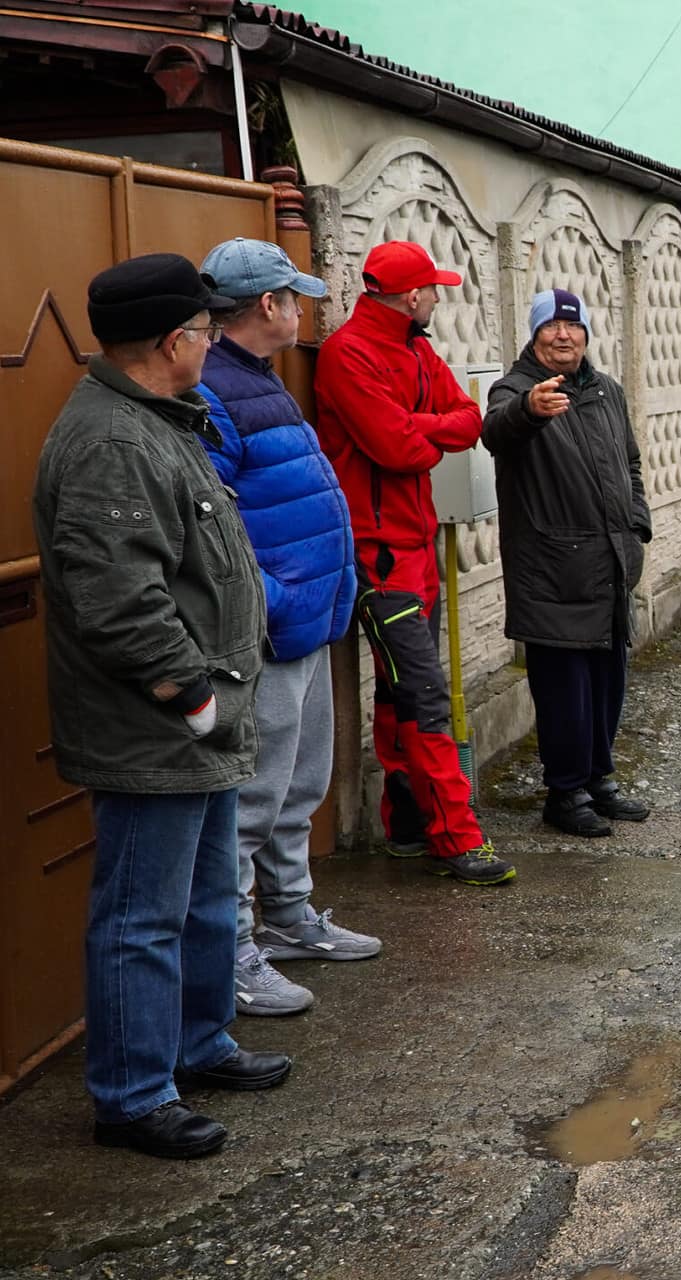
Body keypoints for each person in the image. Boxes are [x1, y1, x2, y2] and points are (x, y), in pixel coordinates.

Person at [35, 253, 293, 1159]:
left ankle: (197, 1042)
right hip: (158, 730)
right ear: (170, 340)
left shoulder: (153, 420)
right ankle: (134, 1094)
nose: (212, 341)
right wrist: (190, 701)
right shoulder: (114, 440)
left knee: (204, 902)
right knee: (142, 916)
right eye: (203, 329)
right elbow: (120, 601)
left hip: (199, 726)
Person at [195, 238, 379, 1018]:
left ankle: (292, 917)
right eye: (294, 297)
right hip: (268, 632)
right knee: (252, 798)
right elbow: (215, 520)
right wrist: (269, 601)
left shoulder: (260, 380)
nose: (303, 310)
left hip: (306, 621)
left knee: (298, 785)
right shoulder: (214, 389)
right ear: (267, 305)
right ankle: (234, 950)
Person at [314, 241, 515, 885]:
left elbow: (468, 421)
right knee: (423, 694)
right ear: (410, 297)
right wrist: (426, 430)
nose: (438, 297)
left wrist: (419, 428)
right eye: (433, 289)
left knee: (404, 692)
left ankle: (405, 824)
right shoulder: (349, 355)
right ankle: (457, 839)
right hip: (379, 553)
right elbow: (400, 447)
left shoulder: (418, 348)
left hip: (415, 543)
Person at [482, 289, 652, 837]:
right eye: (551, 326)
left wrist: (637, 525)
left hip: (609, 564)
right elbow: (497, 430)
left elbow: (630, 462)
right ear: (534, 335)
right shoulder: (515, 390)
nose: (564, 335)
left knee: (608, 682)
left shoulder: (606, 390)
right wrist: (529, 412)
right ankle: (565, 791)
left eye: (573, 327)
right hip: (552, 570)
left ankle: (599, 780)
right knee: (564, 690)